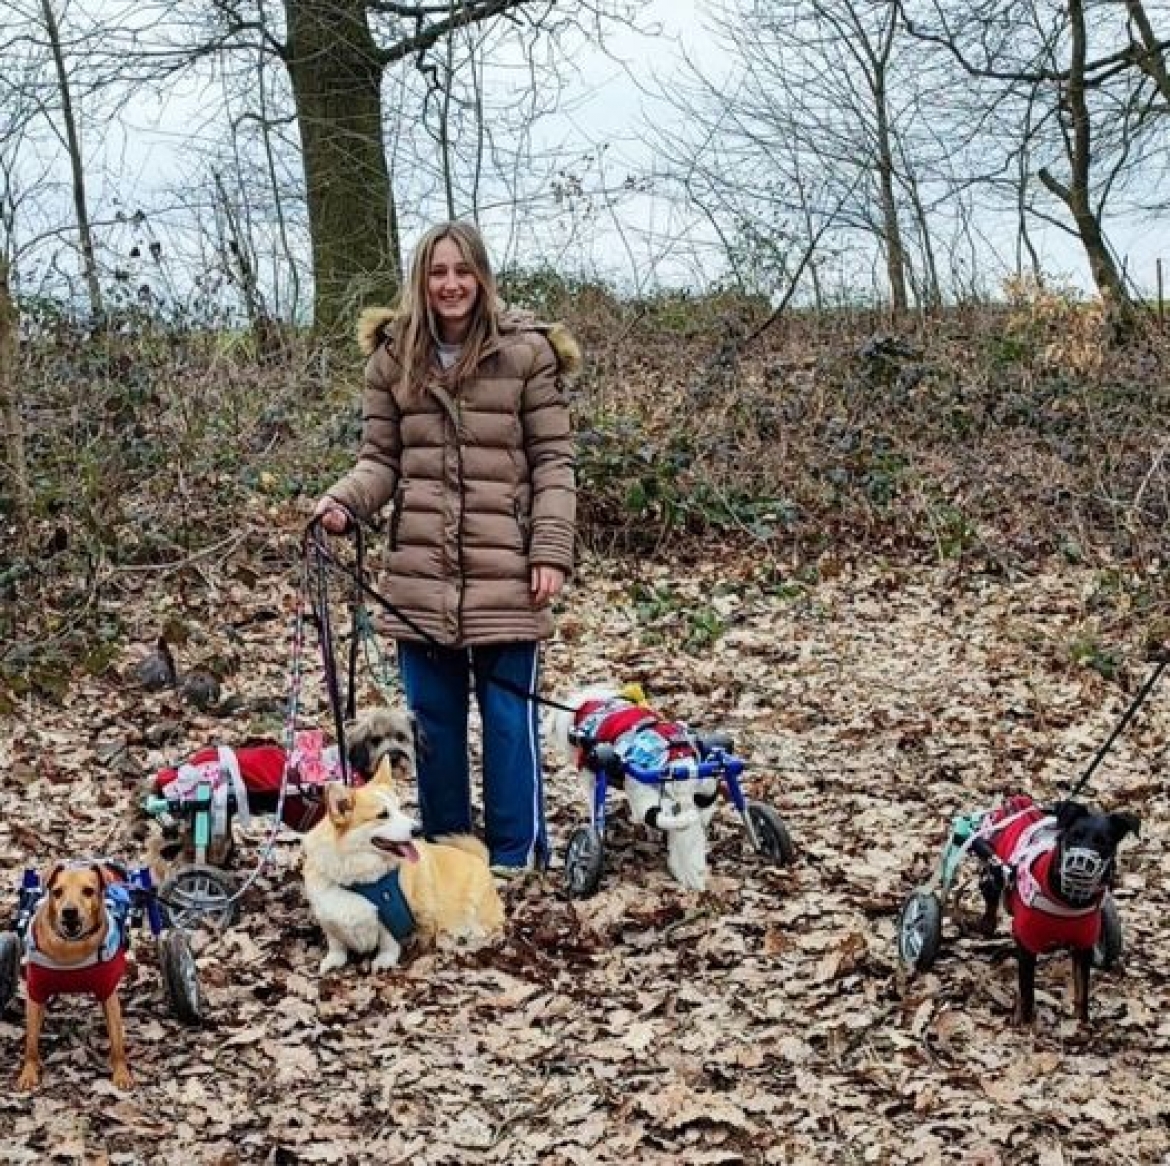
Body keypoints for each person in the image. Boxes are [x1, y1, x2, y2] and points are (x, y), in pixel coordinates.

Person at [313, 221, 579, 876]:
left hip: (506, 571)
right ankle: (449, 855)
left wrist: (549, 549)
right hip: (419, 574)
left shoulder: (527, 354)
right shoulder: (391, 360)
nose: (451, 284)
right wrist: (344, 501)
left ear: (482, 277)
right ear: (420, 281)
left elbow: (553, 463)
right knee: (431, 724)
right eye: (438, 272)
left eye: (463, 271)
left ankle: (516, 855)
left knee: (507, 718)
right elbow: (380, 461)